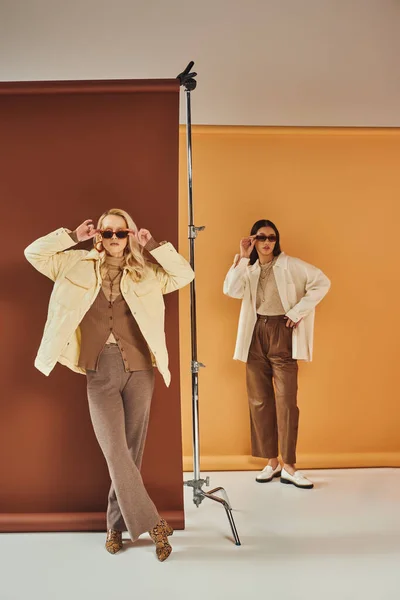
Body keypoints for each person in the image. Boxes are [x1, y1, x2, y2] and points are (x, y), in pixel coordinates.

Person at [24, 208, 195, 561]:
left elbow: (185, 273)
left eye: (122, 233)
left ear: (131, 235)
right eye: (107, 233)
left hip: (141, 369)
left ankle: (114, 527)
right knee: (115, 450)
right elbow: (34, 253)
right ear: (98, 235)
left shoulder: (148, 271)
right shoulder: (73, 264)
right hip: (100, 368)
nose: (114, 239)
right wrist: (72, 235)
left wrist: (155, 246)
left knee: (130, 451)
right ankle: (155, 524)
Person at [223, 219, 330, 489]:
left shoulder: (291, 265)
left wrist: (297, 313)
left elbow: (321, 283)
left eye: (271, 237)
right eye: (261, 237)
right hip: (255, 333)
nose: (267, 242)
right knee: (259, 401)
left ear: (276, 240)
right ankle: (271, 462)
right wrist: (243, 258)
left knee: (286, 402)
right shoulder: (249, 267)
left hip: (282, 331)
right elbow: (230, 290)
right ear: (254, 241)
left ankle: (289, 466)